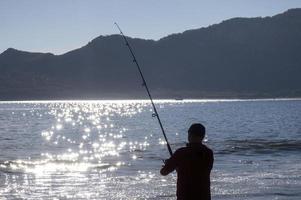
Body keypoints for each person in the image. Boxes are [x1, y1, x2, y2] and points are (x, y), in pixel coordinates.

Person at [160, 123, 214, 200]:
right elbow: (198, 170)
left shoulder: (181, 153)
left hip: (184, 196)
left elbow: (163, 172)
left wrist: (170, 164)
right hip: (204, 196)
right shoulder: (209, 153)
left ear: (189, 135)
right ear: (203, 136)